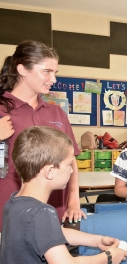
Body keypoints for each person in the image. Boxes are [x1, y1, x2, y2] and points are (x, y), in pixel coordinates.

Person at [0, 126, 127, 264]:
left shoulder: (15, 203)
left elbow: (50, 234)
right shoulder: (42, 212)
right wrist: (107, 257)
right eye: (69, 164)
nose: (72, 170)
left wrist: (96, 240)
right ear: (50, 171)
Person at [0, 40, 86, 237]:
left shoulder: (57, 113)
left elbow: (71, 160)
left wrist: (73, 201)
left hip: (54, 214)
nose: (53, 79)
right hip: (9, 216)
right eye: (46, 71)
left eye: (55, 72)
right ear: (22, 69)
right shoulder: (2, 110)